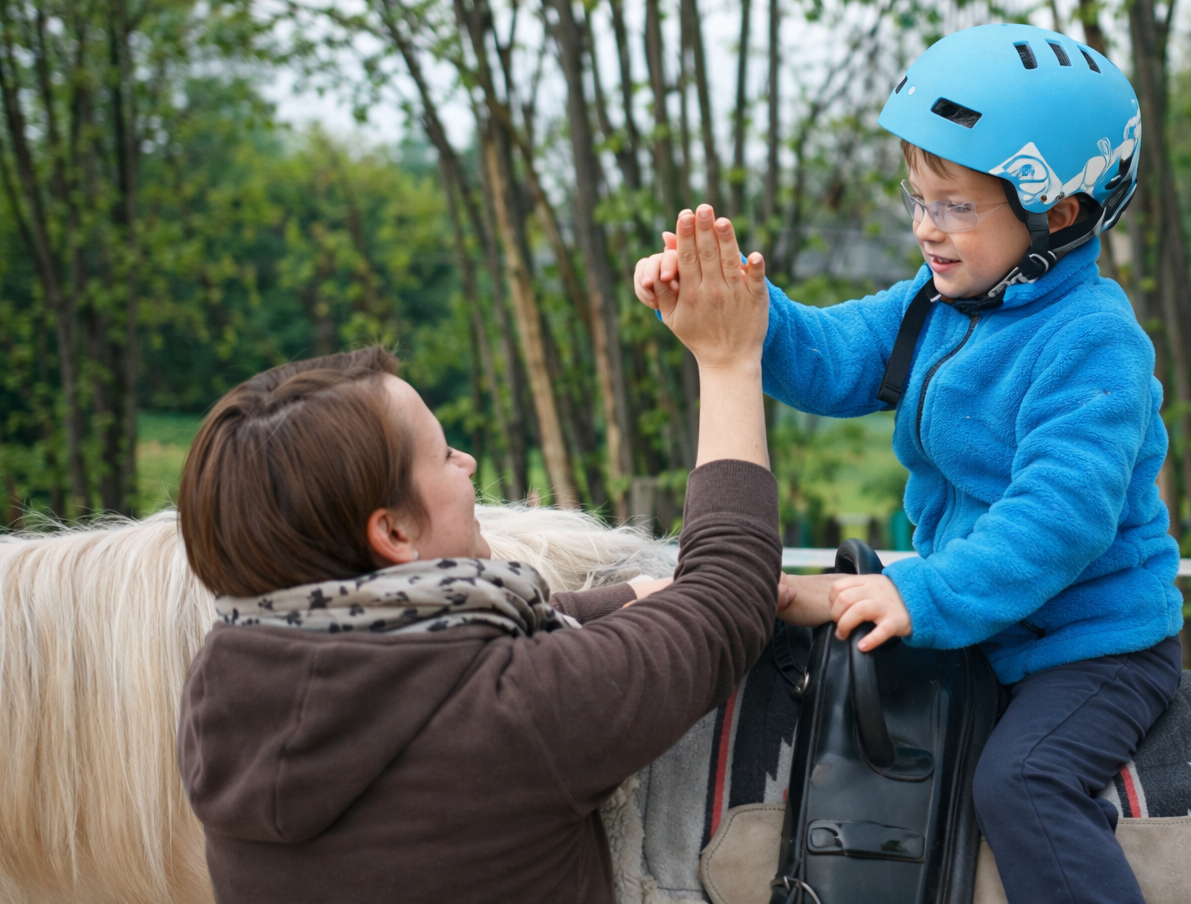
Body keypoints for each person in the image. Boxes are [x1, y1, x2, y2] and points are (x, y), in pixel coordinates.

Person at [635, 23, 1184, 904]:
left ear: (1060, 213)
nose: (927, 228)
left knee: (1020, 785)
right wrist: (733, 302)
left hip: (1084, 645)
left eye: (957, 205)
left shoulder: (1093, 343)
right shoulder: (938, 304)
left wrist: (918, 594)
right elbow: (827, 354)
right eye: (918, 199)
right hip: (973, 611)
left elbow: (1058, 521)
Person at [176, 214, 794, 904]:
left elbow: (434, 659)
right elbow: (729, 596)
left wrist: (635, 595)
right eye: (443, 455)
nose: (468, 464)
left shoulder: (225, 694)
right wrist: (730, 359)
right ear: (394, 534)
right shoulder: (513, 714)